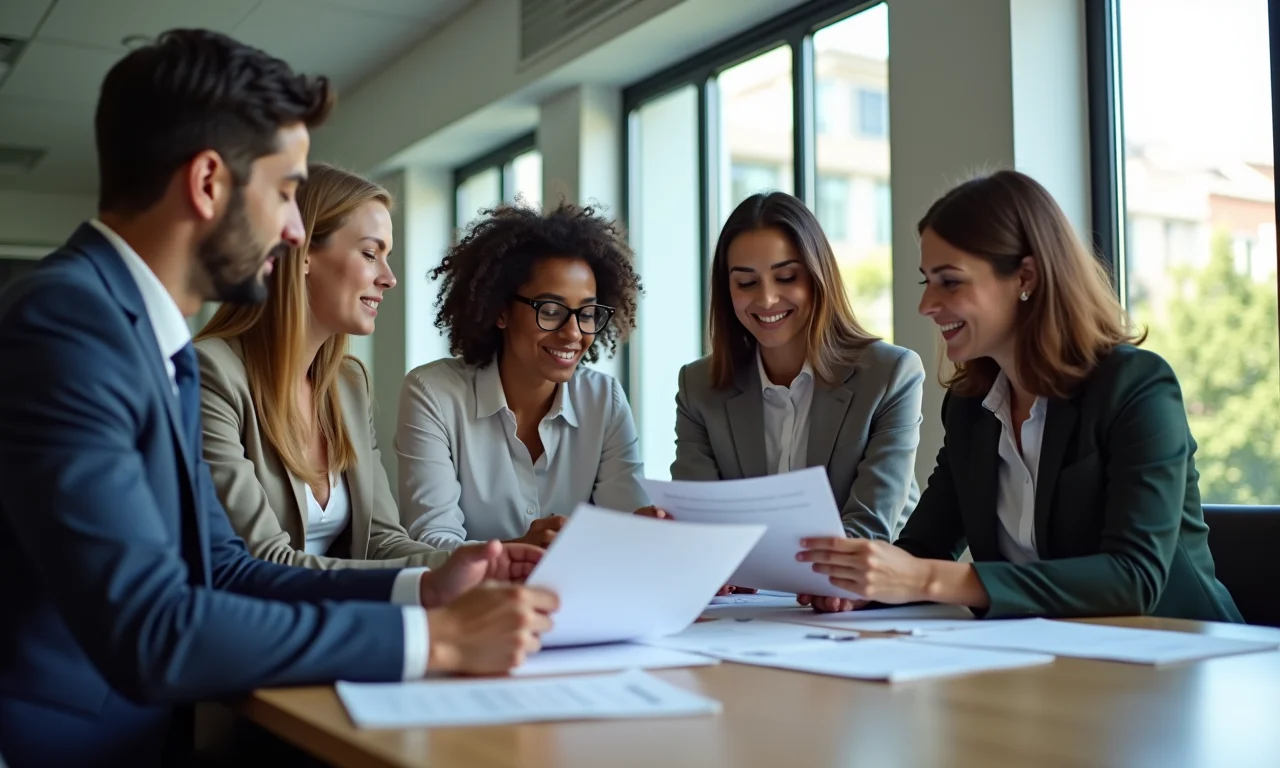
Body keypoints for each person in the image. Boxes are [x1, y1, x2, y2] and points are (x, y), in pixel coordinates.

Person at [0, 30, 557, 768]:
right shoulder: (66, 323)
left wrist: (425, 589)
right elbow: (151, 628)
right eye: (287, 192)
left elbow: (226, 569)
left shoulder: (148, 338)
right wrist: (437, 641)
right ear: (207, 183)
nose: (293, 229)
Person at [798, 170, 1243, 622]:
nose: (927, 304)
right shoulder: (971, 406)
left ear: (1025, 276)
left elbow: (1134, 579)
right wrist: (860, 585)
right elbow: (924, 547)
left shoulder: (1136, 386)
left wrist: (924, 580)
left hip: (1181, 656)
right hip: (1048, 658)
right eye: (926, 281)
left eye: (949, 281)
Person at [642, 192, 925, 610]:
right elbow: (700, 523)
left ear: (816, 277)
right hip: (752, 611)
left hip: (867, 601)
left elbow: (869, 526)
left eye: (786, 277)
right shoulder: (699, 385)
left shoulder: (891, 373)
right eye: (746, 282)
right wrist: (702, 559)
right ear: (727, 290)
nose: (767, 299)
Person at [195, 164, 449, 570]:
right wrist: (439, 578)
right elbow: (262, 560)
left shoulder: (348, 384)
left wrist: (492, 559)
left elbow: (382, 542)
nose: (389, 278)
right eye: (370, 254)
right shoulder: (211, 373)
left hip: (338, 619)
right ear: (303, 251)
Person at [396, 202, 647, 550]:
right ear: (501, 311)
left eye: (587, 312)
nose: (573, 333)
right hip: (473, 602)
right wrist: (518, 551)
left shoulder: (605, 400)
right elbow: (431, 541)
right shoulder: (433, 394)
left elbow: (627, 531)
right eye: (551, 310)